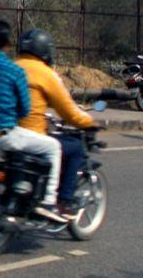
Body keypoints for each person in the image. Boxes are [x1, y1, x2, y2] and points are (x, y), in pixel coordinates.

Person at [0, 20, 66, 223]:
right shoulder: (14, 71)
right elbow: (24, 108)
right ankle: (48, 202)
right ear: (8, 44)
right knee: (54, 147)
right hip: (4, 135)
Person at [15, 29, 97, 217]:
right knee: (75, 148)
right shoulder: (45, 73)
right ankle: (63, 201)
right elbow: (67, 109)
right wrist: (88, 122)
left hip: (5, 132)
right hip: (31, 134)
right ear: (44, 50)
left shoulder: (11, 67)